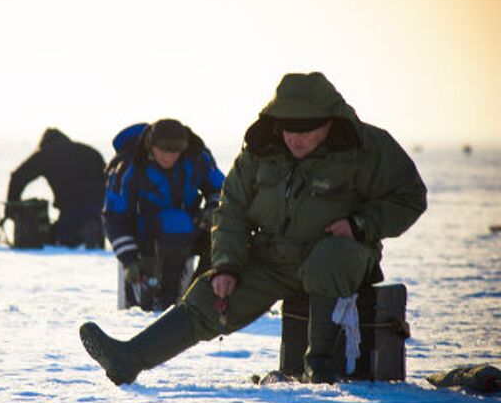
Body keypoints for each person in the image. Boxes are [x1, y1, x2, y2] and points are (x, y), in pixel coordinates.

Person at [80, 72, 428, 385]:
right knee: (207, 296)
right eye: (289, 129)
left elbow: (410, 197)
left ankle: (319, 366)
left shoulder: (368, 147)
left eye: (306, 130)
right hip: (272, 257)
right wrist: (227, 264)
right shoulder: (261, 152)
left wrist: (360, 224)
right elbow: (231, 208)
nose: (296, 138)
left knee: (329, 258)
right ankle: (129, 359)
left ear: (330, 123)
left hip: (342, 255)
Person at [103, 119, 225, 311]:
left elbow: (222, 190)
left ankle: (201, 295)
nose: (170, 156)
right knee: (177, 222)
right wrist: (129, 260)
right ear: (151, 145)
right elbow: (114, 217)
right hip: (143, 237)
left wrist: (211, 209)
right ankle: (165, 300)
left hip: (190, 228)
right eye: (164, 150)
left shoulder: (197, 158)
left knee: (225, 233)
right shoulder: (129, 167)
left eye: (177, 151)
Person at [7, 128, 106, 248]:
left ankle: (82, 233)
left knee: (64, 238)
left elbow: (18, 176)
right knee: (88, 220)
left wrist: (12, 205)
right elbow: (108, 177)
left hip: (71, 207)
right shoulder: (89, 151)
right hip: (99, 205)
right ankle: (93, 230)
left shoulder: (46, 153)